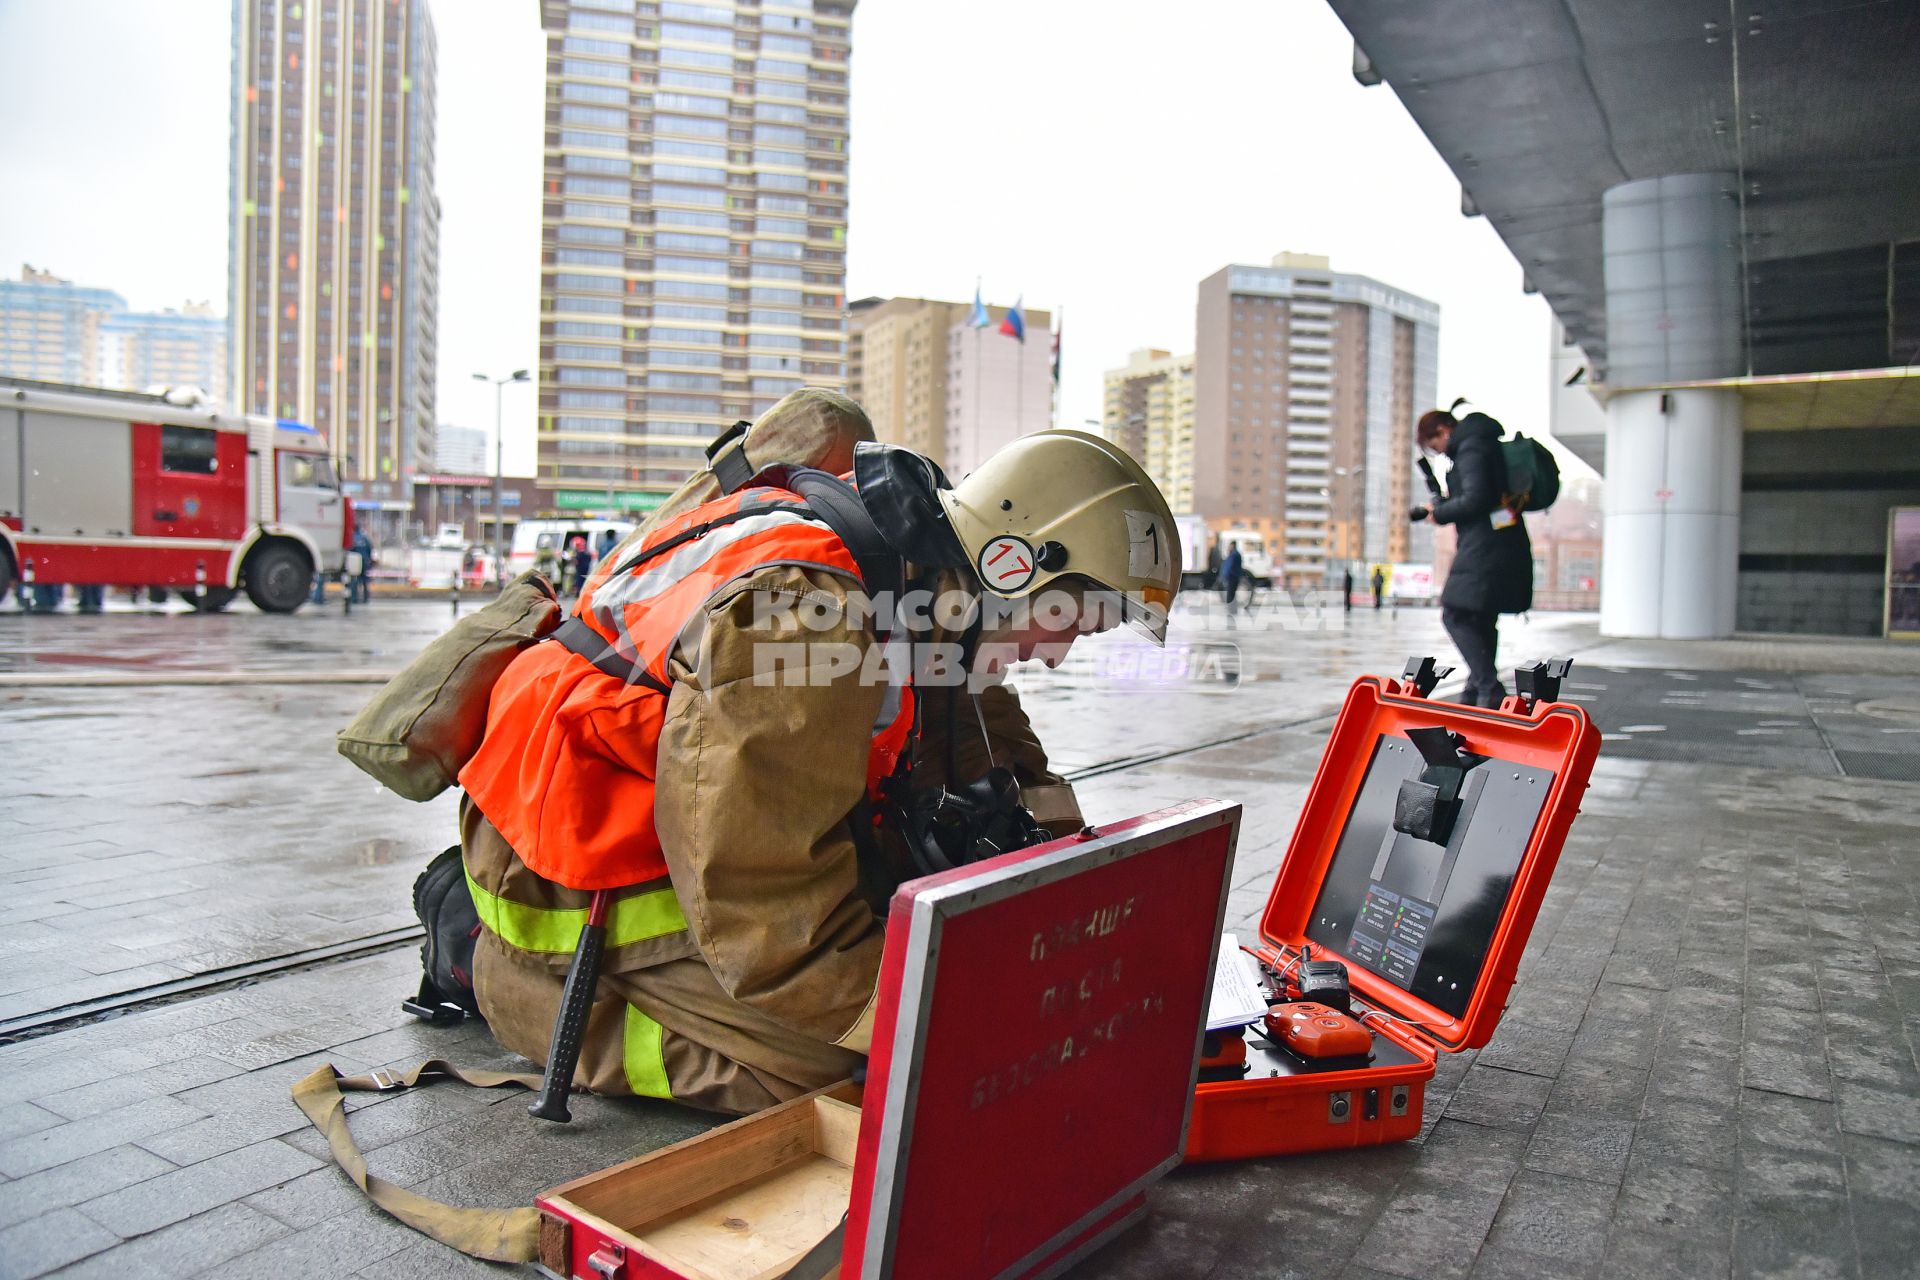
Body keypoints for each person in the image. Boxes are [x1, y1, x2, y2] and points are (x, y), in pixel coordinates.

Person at [454, 417, 1179, 1115]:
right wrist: (933, 1024)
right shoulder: (803, 616)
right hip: (573, 870)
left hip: (691, 834)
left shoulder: (936, 593)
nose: (1057, 654)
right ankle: (502, 979)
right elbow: (763, 910)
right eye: (1070, 622)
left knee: (911, 976)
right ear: (1015, 561)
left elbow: (996, 759)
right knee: (849, 1064)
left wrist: (1077, 915)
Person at [1410, 406, 1533, 707]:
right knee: (1480, 617)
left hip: (1487, 545)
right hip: (1500, 541)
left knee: (1456, 612)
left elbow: (1476, 499)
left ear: (1442, 430)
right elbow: (1483, 495)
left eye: (1434, 445)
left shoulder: (1471, 447)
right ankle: (1475, 694)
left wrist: (1437, 513)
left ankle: (1489, 688)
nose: (1438, 452)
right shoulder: (1481, 443)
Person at [350, 527, 375, 604]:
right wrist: (369, 559)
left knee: (355, 580)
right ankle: (366, 598)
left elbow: (350, 550)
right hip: (365, 561)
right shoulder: (365, 537)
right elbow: (370, 549)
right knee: (365, 580)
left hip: (356, 561)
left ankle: (354, 598)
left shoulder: (353, 538)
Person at [1220, 540, 1243, 607]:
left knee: (1230, 593)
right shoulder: (1237, 554)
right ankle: (1233, 607)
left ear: (1232, 546)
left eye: (1229, 546)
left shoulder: (1233, 555)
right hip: (1235, 576)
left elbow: (1228, 566)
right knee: (1232, 593)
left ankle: (1231, 608)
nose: (1228, 547)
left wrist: (1224, 576)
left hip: (1232, 577)